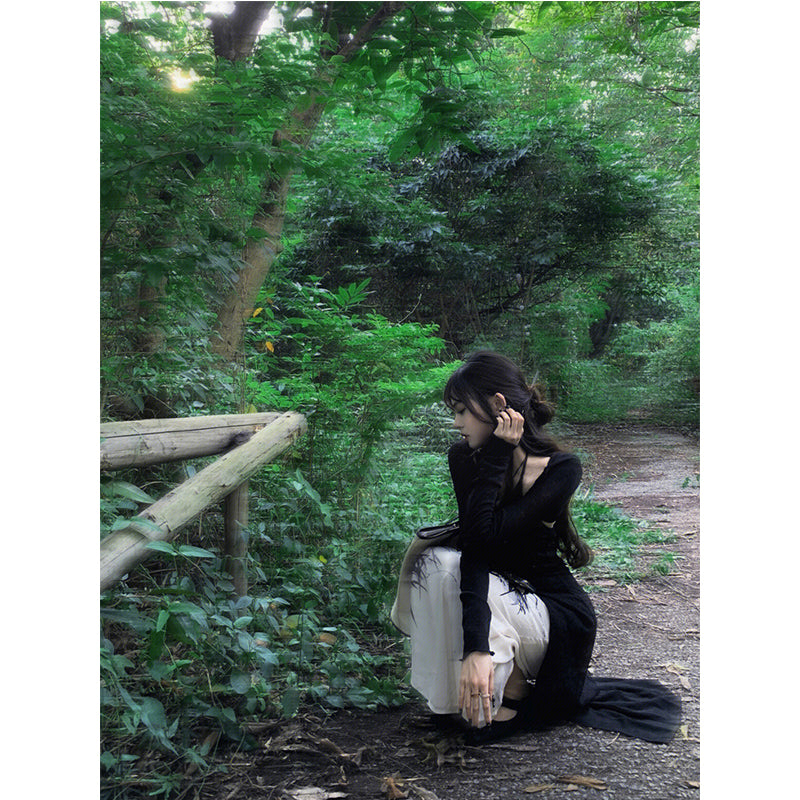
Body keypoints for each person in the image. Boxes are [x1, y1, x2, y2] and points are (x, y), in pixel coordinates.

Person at [391, 351, 680, 745]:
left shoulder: (561, 468)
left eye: (461, 411)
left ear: (498, 406)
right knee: (439, 563)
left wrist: (497, 454)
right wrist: (474, 648)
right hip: (497, 600)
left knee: (451, 567)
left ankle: (510, 696)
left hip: (551, 614)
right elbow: (476, 547)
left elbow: (487, 535)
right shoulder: (463, 458)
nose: (456, 423)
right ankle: (456, 704)